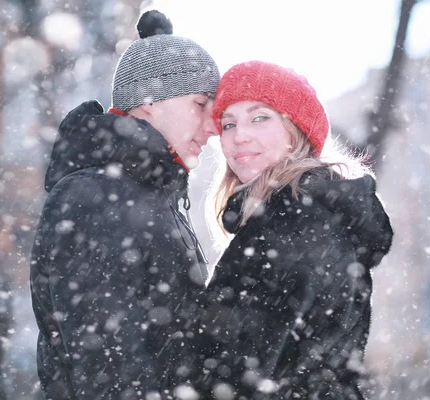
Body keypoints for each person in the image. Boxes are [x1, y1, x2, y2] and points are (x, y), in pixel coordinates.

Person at [29, 10, 220, 399]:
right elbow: (107, 369)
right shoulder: (96, 196)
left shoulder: (152, 195)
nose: (213, 127)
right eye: (201, 105)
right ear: (149, 101)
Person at [186, 61, 394, 399]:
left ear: (295, 130)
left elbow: (235, 371)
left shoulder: (293, 221)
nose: (240, 136)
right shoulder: (307, 213)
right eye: (228, 124)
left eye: (260, 118)